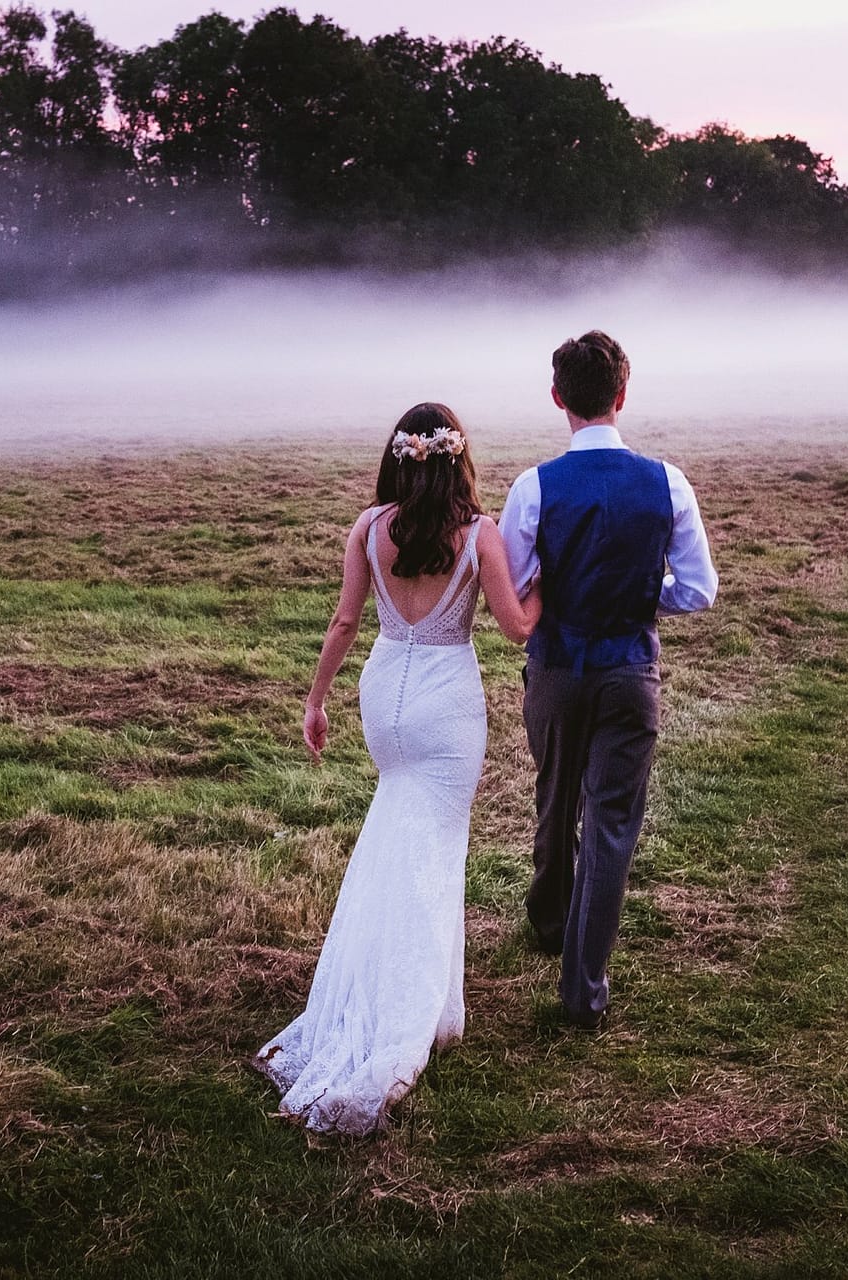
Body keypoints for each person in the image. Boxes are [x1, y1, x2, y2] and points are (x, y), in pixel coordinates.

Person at [252, 402, 540, 1137]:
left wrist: (315, 701)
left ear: (399, 458)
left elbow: (345, 621)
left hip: (385, 691)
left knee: (394, 829)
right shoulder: (480, 534)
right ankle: (409, 1014)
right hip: (447, 702)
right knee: (435, 848)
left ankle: (400, 994)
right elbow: (517, 627)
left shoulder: (368, 526)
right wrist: (556, 579)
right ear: (459, 460)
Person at [498, 330, 717, 1030]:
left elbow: (515, 583)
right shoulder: (668, 483)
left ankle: (549, 918)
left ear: (557, 397)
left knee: (555, 794)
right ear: (622, 395)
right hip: (629, 671)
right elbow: (699, 590)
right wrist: (642, 596)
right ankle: (583, 989)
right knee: (611, 826)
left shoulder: (533, 486)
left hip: (555, 669)